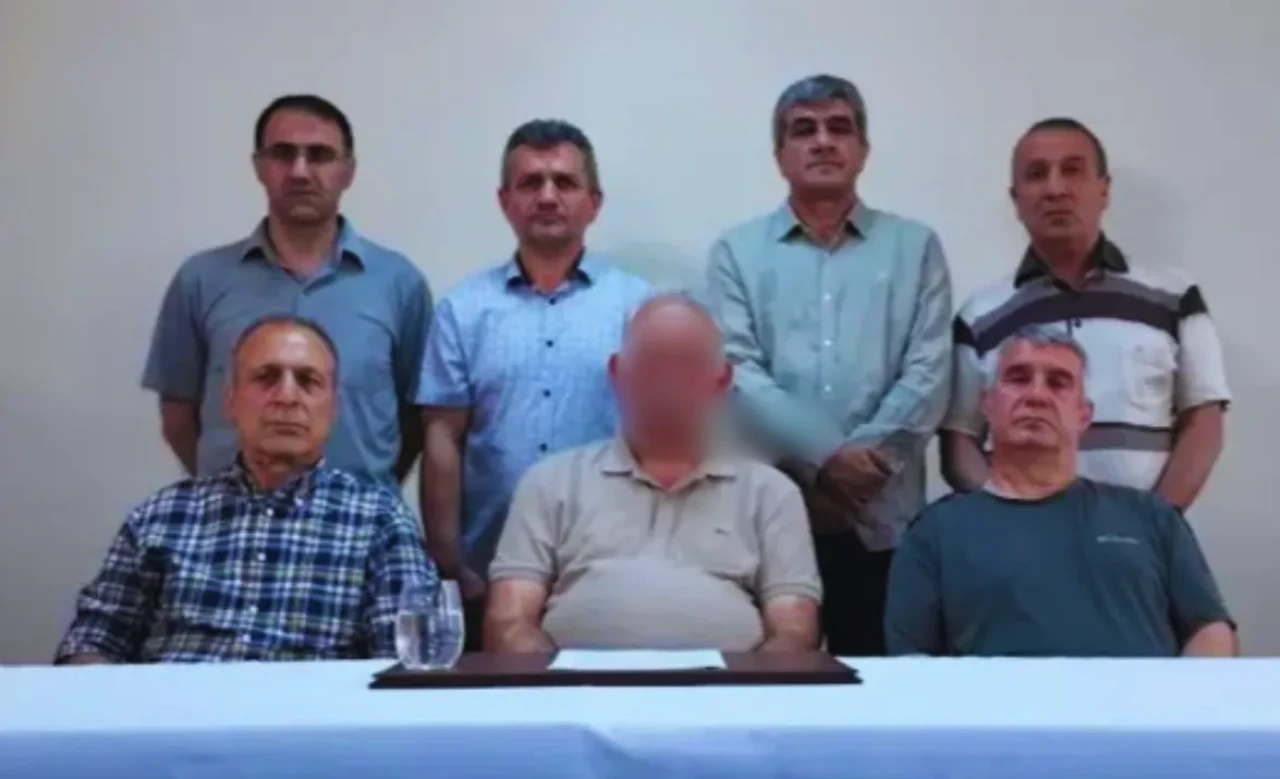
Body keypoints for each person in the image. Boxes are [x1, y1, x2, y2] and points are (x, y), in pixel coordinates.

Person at [704, 74, 952, 656]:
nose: (822, 141)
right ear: (779, 154)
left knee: (883, 691)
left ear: (862, 149)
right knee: (771, 690)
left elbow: (929, 370)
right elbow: (736, 372)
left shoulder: (915, 247)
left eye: (839, 128)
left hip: (884, 519)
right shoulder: (737, 252)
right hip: (772, 512)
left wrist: (857, 469)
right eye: (804, 130)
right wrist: (824, 461)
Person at [56, 316, 448, 663]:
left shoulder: (380, 522)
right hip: (172, 715)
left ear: (333, 408)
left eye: (308, 381)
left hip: (310, 720)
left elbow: (408, 662)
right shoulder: (161, 517)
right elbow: (93, 640)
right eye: (266, 377)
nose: (287, 397)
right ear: (230, 401)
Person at [417, 119, 650, 650]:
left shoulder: (638, 307)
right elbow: (442, 438)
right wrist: (450, 563)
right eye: (530, 183)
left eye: (564, 182)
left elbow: (661, 433)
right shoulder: (463, 310)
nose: (547, 197)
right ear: (504, 201)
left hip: (608, 569)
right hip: (489, 568)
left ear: (594, 203)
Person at [485, 294, 822, 652]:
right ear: (617, 374)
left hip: (729, 685)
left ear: (722, 381)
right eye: (652, 364)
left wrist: (752, 685)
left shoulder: (770, 493)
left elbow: (794, 632)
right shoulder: (550, 482)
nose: (669, 385)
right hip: (578, 685)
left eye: (689, 365)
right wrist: (553, 679)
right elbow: (509, 622)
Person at [885, 326, 1236, 657]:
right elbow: (910, 664)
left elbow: (1210, 630)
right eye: (1018, 378)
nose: (1036, 395)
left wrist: (1182, 700)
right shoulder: (936, 532)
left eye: (1058, 382)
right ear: (987, 405)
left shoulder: (1150, 517)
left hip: (1140, 703)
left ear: (1084, 415)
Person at [141, 94, 432, 485]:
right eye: (282, 153)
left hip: (360, 519)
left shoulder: (399, 283)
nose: (299, 171)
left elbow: (417, 417)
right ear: (259, 167)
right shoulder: (201, 280)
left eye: (319, 155)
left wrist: (368, 491)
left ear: (348, 171)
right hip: (230, 519)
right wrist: (231, 492)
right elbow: (179, 413)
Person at [941, 117, 1229, 509]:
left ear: (1104, 189)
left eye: (1072, 170)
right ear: (1016, 200)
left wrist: (1155, 523)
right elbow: (959, 440)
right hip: (1018, 541)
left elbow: (1204, 421)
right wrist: (1007, 521)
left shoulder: (1175, 296)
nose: (1055, 189)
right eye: (1037, 174)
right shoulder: (980, 316)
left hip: (1139, 535)